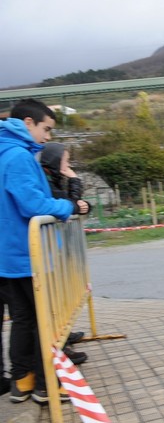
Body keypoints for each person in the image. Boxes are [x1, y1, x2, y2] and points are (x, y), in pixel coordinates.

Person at [0, 99, 90, 405]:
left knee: (23, 320)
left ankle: (21, 381)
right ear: (28, 123)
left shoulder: (4, 152)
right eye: (46, 129)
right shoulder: (18, 157)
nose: (48, 137)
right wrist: (68, 206)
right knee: (44, 322)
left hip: (10, 256)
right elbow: (33, 204)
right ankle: (46, 384)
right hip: (30, 255)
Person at [39, 142, 89, 366]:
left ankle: (64, 336)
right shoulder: (46, 181)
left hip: (53, 249)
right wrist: (75, 180)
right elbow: (68, 203)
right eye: (65, 161)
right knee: (49, 301)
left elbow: (74, 205)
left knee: (57, 299)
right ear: (54, 161)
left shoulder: (53, 179)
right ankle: (60, 347)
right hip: (44, 250)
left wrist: (81, 204)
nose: (68, 165)